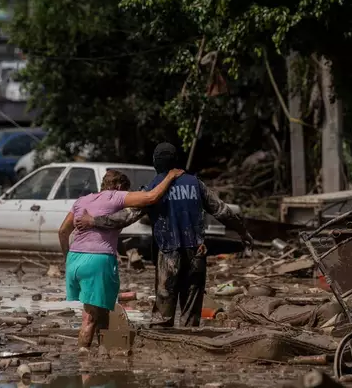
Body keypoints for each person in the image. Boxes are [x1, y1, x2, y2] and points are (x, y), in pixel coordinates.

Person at [76, 142, 254, 328]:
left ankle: (161, 348)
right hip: (197, 253)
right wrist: (243, 232)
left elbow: (126, 217)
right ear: (176, 161)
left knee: (163, 311)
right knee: (191, 310)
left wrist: (94, 221)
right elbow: (222, 211)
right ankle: (191, 347)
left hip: (168, 254)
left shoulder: (154, 188)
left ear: (155, 162)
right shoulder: (196, 184)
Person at [58, 168, 184, 351]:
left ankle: (103, 353)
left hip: (75, 260)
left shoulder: (82, 200)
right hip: (98, 261)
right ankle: (83, 361)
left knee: (101, 309)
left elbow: (62, 231)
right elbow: (151, 198)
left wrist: (67, 258)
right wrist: (170, 176)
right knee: (90, 316)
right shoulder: (115, 197)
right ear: (118, 186)